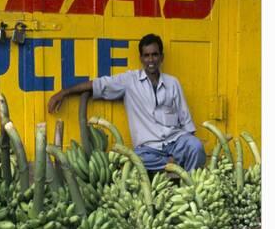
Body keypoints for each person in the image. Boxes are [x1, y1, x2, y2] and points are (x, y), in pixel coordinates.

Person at [47, 33, 205, 172]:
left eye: (155, 55)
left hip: (175, 141)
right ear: (141, 58)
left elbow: (187, 123)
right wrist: (64, 93)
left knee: (196, 147)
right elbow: (98, 84)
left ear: (161, 57)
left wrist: (188, 147)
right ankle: (170, 164)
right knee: (131, 160)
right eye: (147, 55)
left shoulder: (173, 83)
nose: (151, 60)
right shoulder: (129, 81)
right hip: (148, 149)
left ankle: (189, 188)